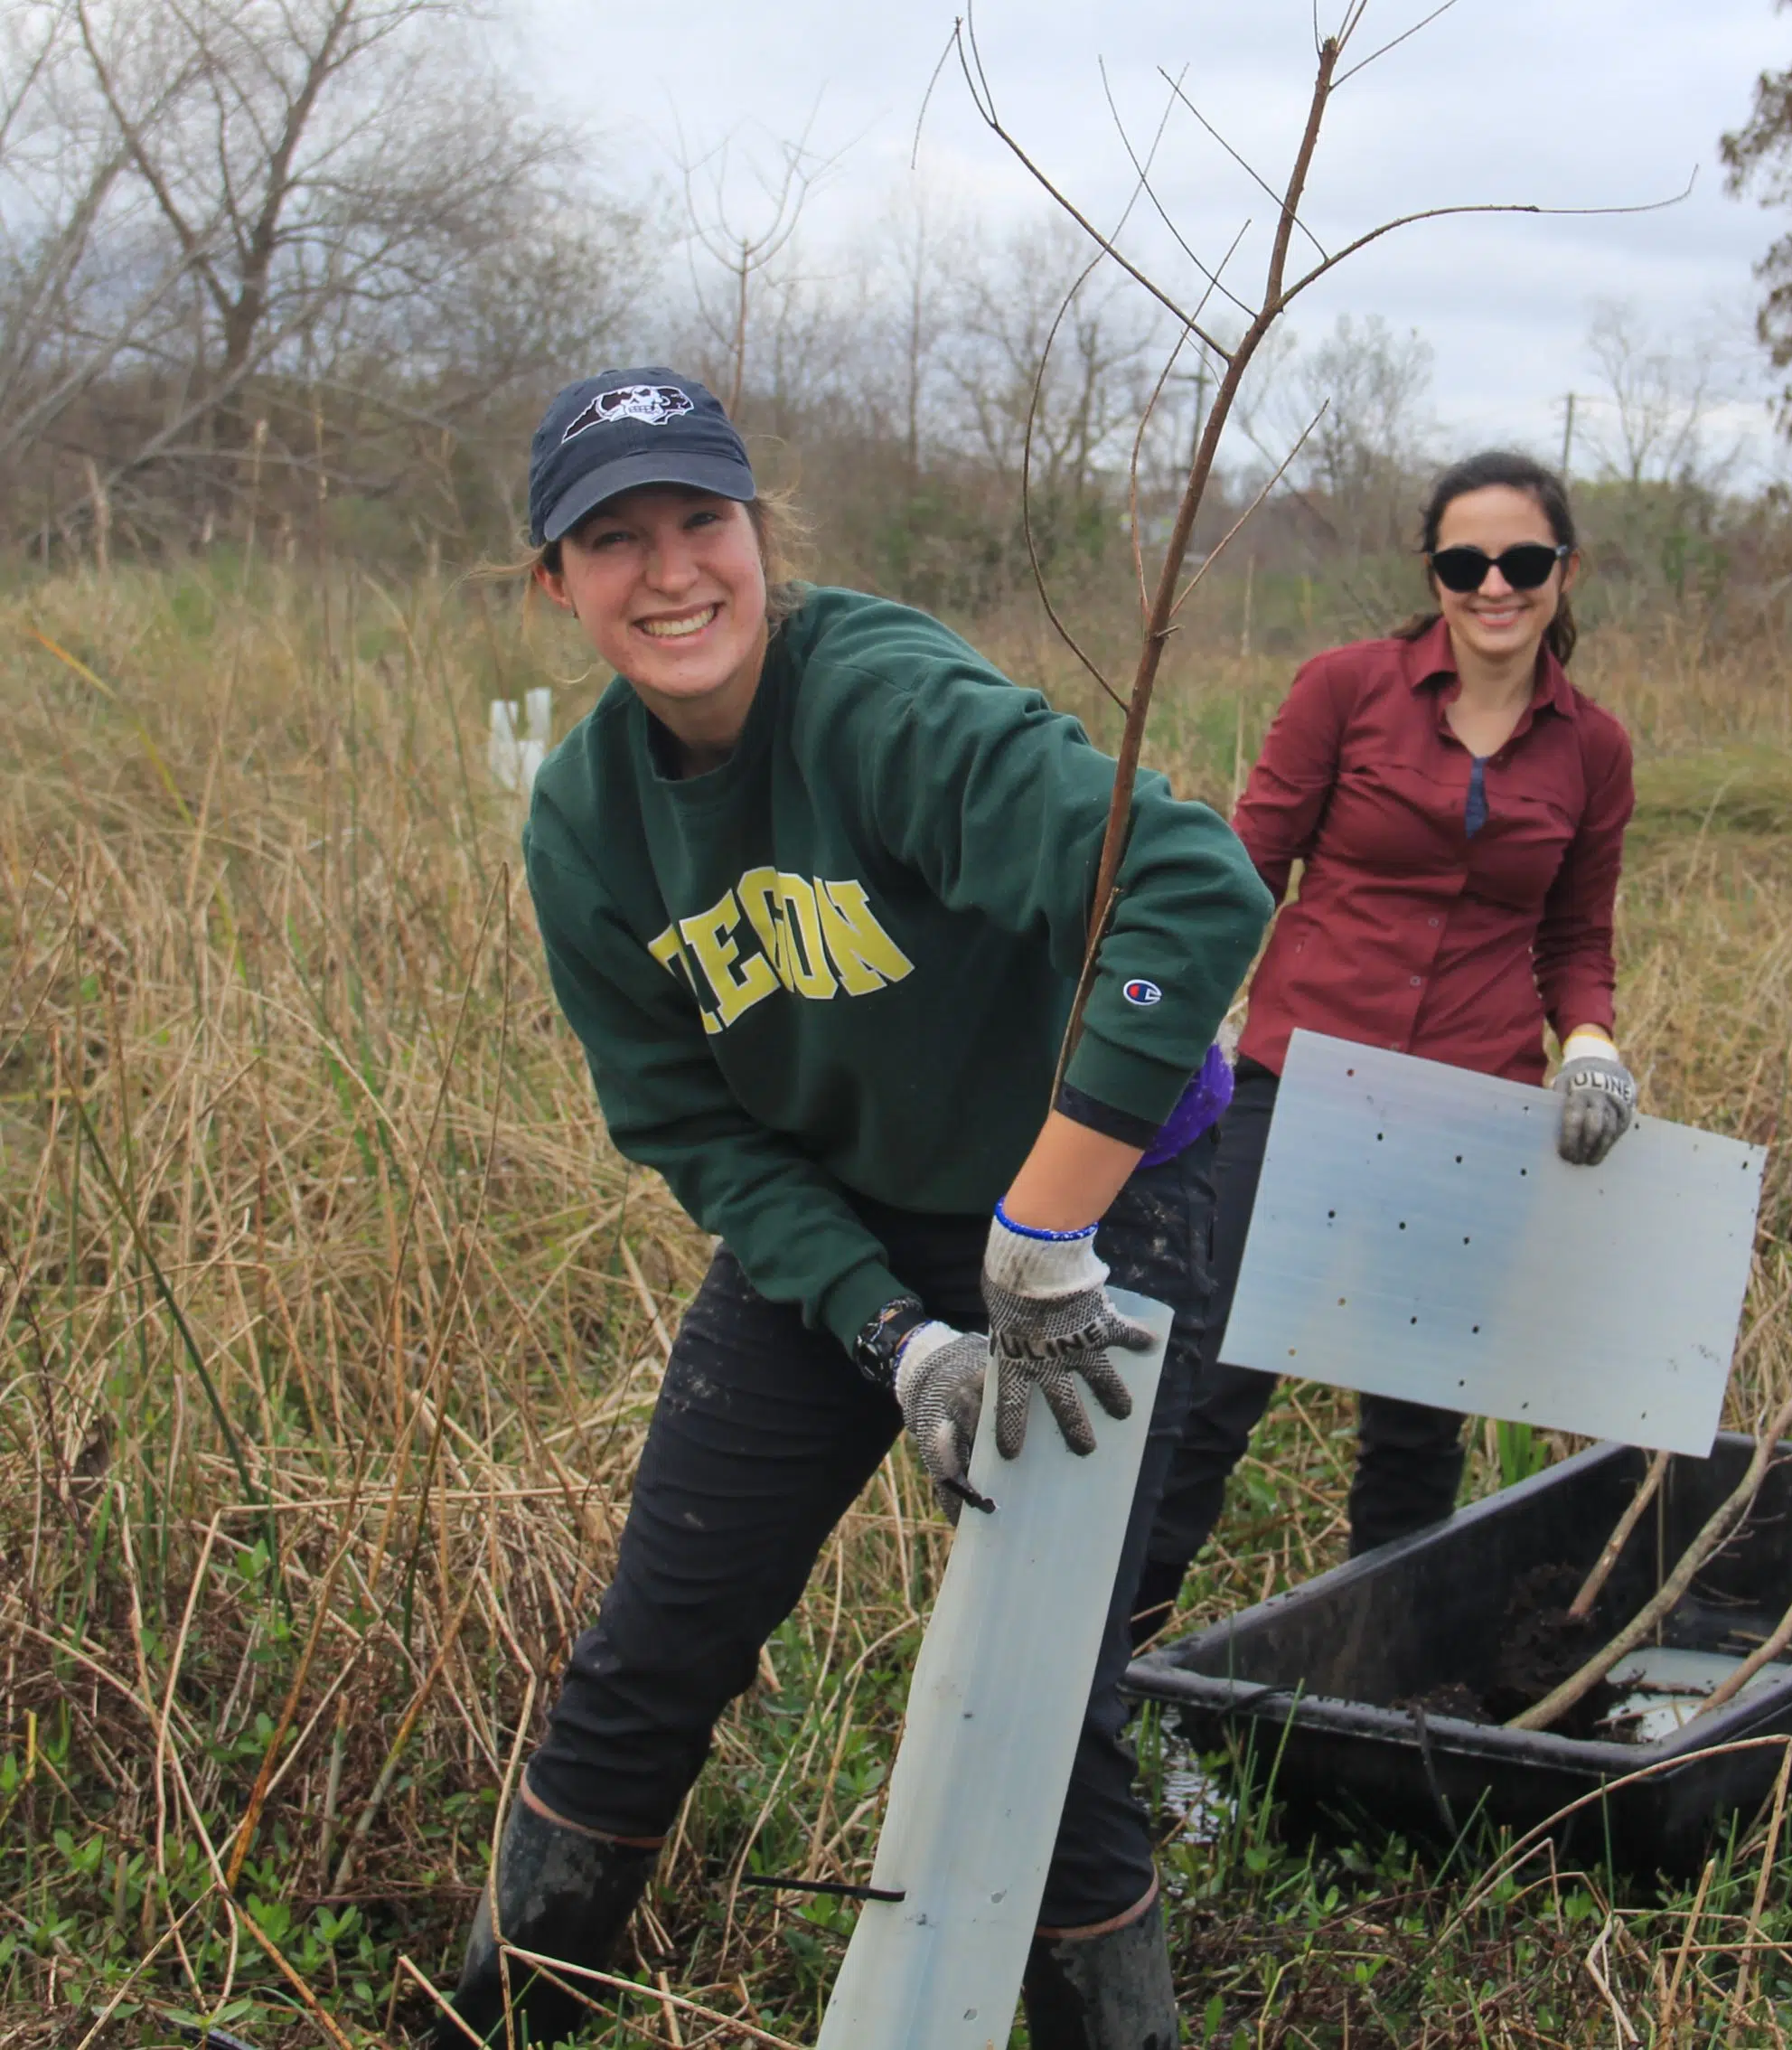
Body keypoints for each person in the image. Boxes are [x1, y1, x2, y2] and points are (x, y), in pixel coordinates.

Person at [437, 367, 1270, 2050]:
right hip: (856, 1214)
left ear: (760, 533)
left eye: (701, 522)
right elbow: (691, 1128)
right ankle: (494, 2020)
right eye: (615, 540)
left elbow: (1194, 887)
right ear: (556, 582)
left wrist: (1038, 1244)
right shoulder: (587, 824)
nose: (671, 573)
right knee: (652, 1646)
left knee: (1045, 1698)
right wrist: (892, 1334)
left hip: (1109, 1189)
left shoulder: (877, 702)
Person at [1132, 450, 1638, 1641]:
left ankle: (1388, 1681)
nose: (1495, 585)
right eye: (1468, 563)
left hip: (1473, 1108)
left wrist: (1593, 1046)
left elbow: (1576, 936)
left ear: (1565, 572)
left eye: (1522, 561)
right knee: (1212, 1384)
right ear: (1435, 574)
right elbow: (1246, 862)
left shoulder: (1593, 750)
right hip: (1298, 1081)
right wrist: (1180, 1008)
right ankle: (1112, 1673)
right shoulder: (1346, 690)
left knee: (1417, 1418)